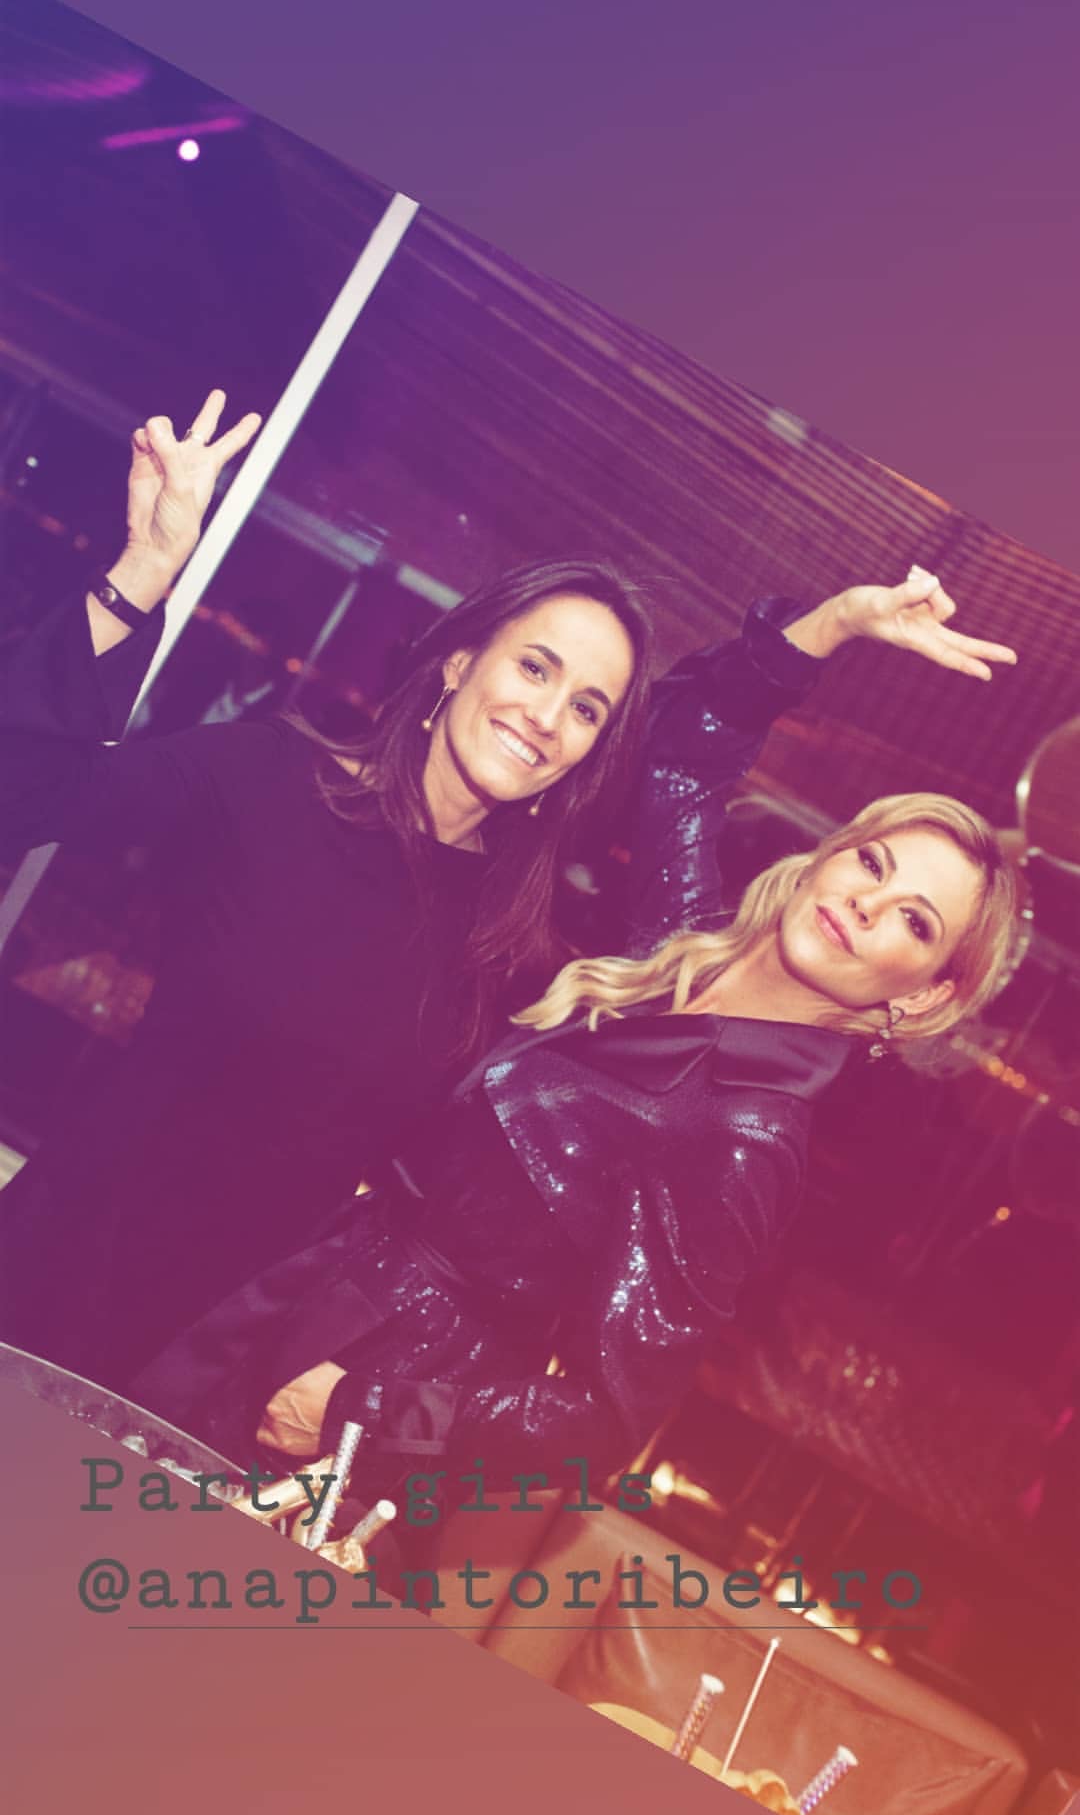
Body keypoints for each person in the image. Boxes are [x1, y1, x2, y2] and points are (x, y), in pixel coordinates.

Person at [0, 389, 1017, 1392]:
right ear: (457, 662)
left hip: (228, 1367)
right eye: (535, 668)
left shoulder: (520, 941)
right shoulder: (269, 780)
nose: (546, 715)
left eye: (586, 708)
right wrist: (140, 577)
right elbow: (26, 791)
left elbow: (679, 763)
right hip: (49, 1290)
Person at [133, 790, 1019, 1488]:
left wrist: (359, 1412)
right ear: (829, 854)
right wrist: (820, 636)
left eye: (915, 920)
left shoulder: (746, 1136)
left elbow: (601, 1427)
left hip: (368, 1389)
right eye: (871, 861)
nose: (867, 901)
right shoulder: (680, 962)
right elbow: (683, 766)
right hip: (307, 1282)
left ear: (924, 994)